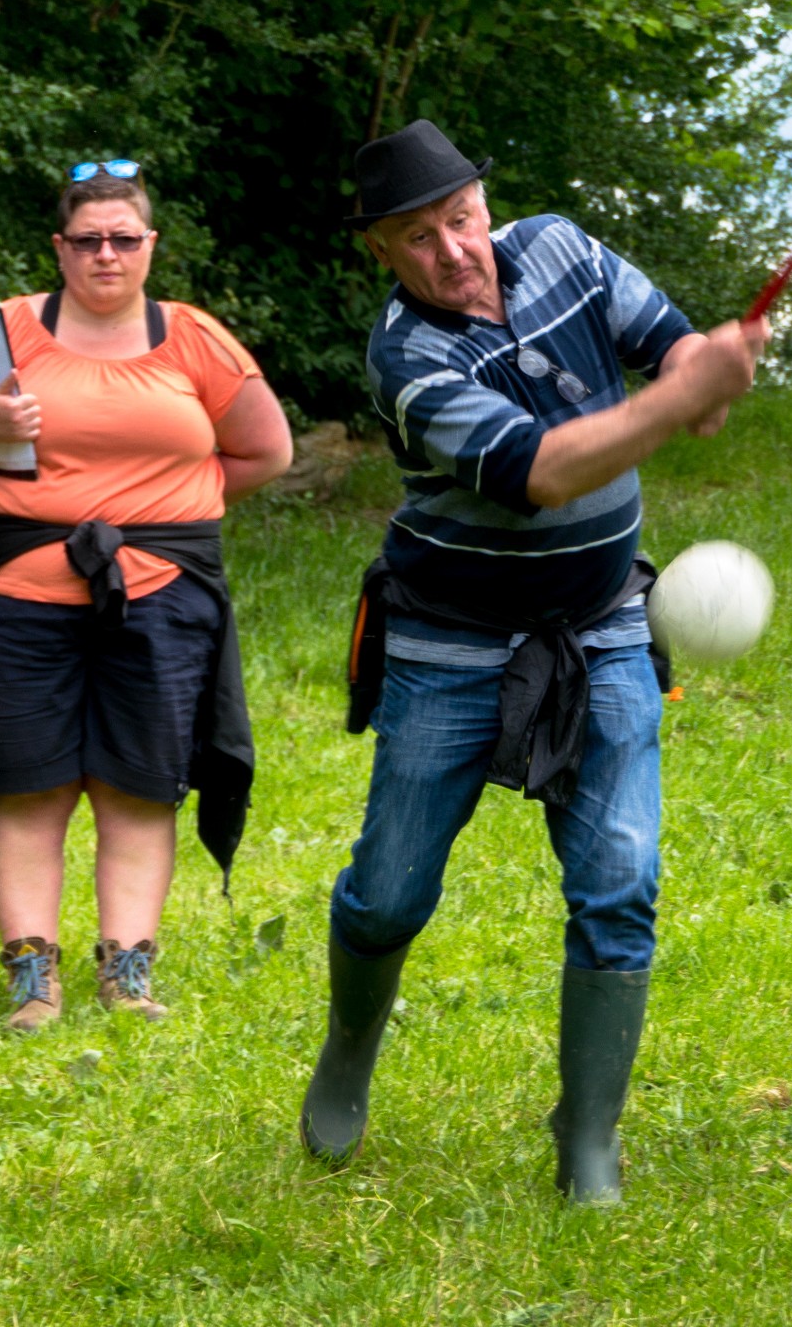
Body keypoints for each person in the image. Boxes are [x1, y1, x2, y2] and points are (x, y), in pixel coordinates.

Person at [299, 121, 765, 1203]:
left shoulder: (559, 246)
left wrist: (702, 372)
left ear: (484, 202)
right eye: (418, 238)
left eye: (460, 219)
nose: (452, 251)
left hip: (602, 622)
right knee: (388, 894)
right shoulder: (406, 357)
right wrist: (675, 402)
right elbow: (544, 472)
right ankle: (348, 1055)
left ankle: (587, 1135)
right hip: (448, 642)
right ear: (378, 250)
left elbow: (671, 346)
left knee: (620, 881)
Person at [0, 160, 294, 1031]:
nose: (105, 255)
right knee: (28, 785)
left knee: (138, 786)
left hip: (161, 596)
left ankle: (127, 975)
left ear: (149, 244)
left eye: (123, 238)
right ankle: (31, 979)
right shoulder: (2, 333)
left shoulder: (195, 337)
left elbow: (264, 451)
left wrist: (166, 514)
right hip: (17, 595)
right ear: (59, 247)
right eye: (86, 240)